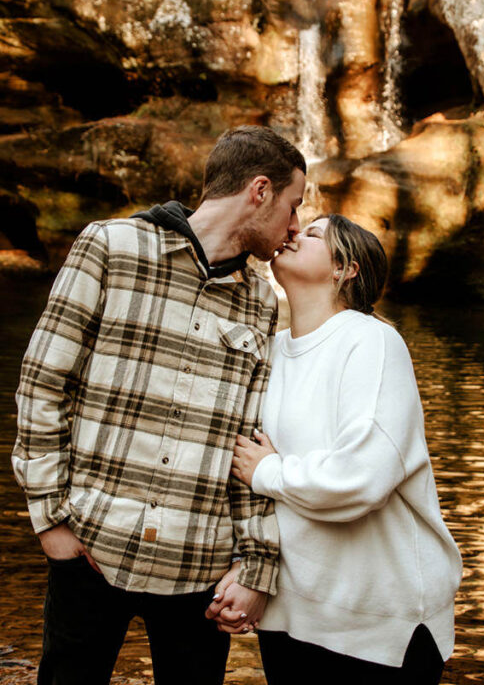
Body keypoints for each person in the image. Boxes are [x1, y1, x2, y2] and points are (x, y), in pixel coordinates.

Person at [12, 125, 307, 685]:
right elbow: (42, 382)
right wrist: (50, 517)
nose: (295, 228)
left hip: (200, 567)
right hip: (92, 547)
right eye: (293, 207)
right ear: (260, 191)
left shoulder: (263, 301)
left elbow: (253, 442)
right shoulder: (110, 246)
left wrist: (258, 564)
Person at [221, 214, 463, 684]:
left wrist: (270, 471)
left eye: (312, 234)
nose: (292, 233)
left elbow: (361, 478)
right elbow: (238, 474)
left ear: (344, 268)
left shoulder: (371, 340)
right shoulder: (268, 351)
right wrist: (245, 569)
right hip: (290, 614)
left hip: (375, 625)